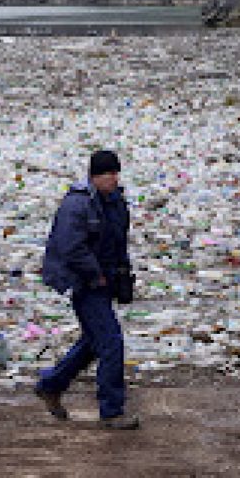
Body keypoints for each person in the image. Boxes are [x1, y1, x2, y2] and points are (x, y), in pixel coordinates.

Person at [36, 149, 139, 429]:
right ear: (94, 176)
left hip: (105, 280)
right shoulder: (77, 205)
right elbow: (71, 247)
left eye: (116, 173)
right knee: (110, 343)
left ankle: (51, 384)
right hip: (86, 282)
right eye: (108, 174)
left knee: (94, 343)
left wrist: (122, 276)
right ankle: (112, 410)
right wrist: (96, 274)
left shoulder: (115, 203)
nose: (113, 179)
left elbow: (118, 243)